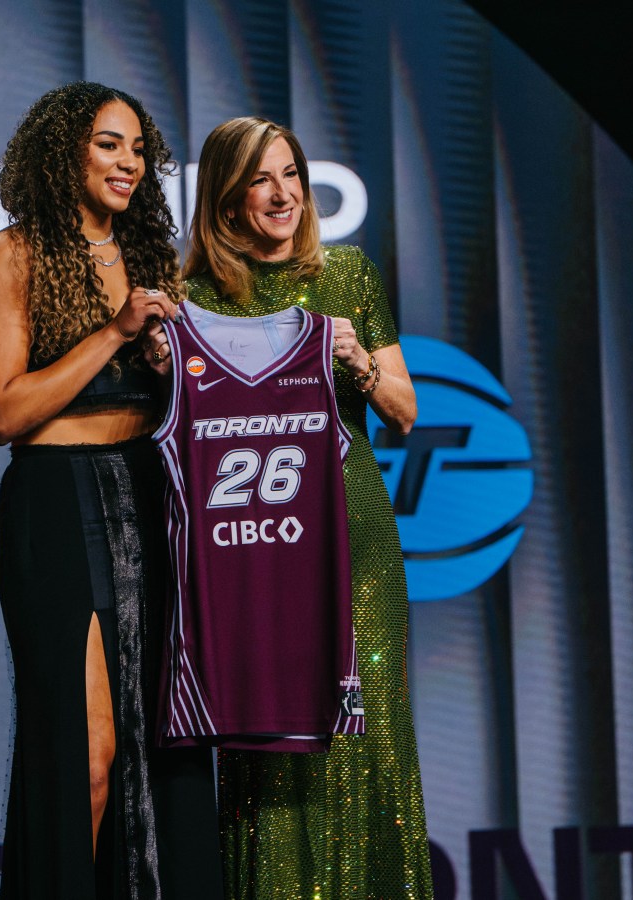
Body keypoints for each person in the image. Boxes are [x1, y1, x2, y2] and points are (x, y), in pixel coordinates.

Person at [0, 82, 222, 900]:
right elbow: (4, 411)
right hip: (56, 503)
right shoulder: (9, 258)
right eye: (110, 144)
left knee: (169, 754)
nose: (129, 163)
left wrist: (168, 365)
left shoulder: (151, 264)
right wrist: (113, 333)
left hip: (151, 498)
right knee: (88, 757)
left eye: (140, 149)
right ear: (62, 148)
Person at [165, 116, 435, 899]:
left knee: (369, 741)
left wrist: (355, 360)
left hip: (355, 549)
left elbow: (405, 411)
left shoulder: (347, 274)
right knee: (268, 748)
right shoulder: (191, 302)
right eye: (260, 179)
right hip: (248, 551)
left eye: (291, 175)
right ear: (225, 195)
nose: (281, 194)